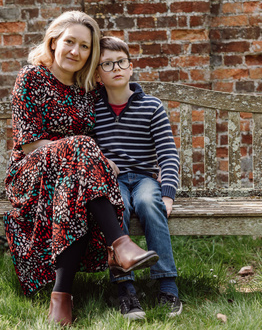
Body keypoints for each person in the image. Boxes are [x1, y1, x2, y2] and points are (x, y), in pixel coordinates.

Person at [3, 12, 159, 327]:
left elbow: (125, 98)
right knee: (80, 149)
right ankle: (120, 245)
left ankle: (62, 297)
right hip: (32, 172)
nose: (76, 51)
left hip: (73, 178)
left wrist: (94, 159)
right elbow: (28, 142)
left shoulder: (86, 88)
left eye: (85, 46)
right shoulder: (31, 77)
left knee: (73, 186)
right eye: (69, 42)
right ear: (53, 42)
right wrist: (84, 152)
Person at [94, 36, 182, 319]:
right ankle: (125, 290)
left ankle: (168, 286)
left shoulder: (151, 107)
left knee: (147, 203)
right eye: (107, 64)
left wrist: (167, 193)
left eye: (121, 62)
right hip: (112, 180)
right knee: (117, 206)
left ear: (131, 68)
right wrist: (103, 161)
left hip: (145, 177)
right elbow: (84, 148)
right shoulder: (92, 111)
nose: (116, 68)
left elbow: (168, 155)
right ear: (98, 75)